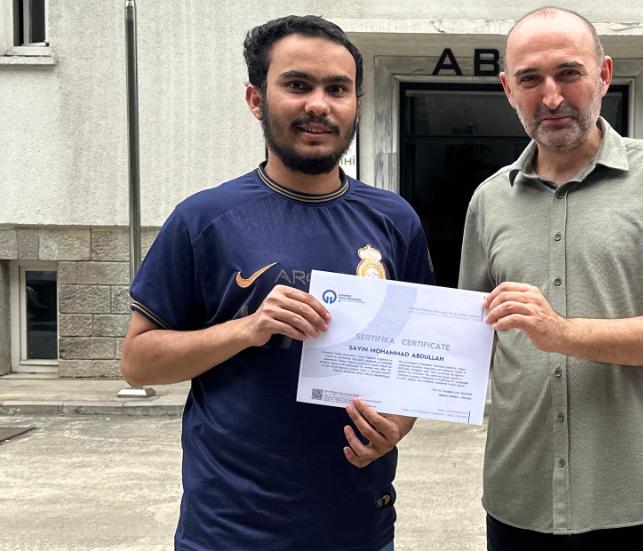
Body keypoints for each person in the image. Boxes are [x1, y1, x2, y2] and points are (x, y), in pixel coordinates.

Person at [119, 15, 433, 550]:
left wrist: (397, 425)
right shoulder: (204, 218)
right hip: (231, 532)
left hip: (360, 526)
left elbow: (417, 355)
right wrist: (247, 329)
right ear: (256, 99)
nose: (319, 104)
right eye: (297, 84)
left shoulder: (395, 220)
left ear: (357, 104)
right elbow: (138, 361)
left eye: (337, 89)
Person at [457, 6, 643, 550]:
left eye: (568, 73)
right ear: (508, 90)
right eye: (531, 79)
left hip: (640, 502)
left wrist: (561, 333)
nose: (551, 97)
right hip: (520, 498)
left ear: (603, 75)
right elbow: (467, 340)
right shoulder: (488, 199)